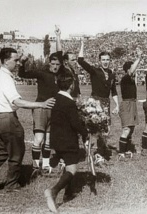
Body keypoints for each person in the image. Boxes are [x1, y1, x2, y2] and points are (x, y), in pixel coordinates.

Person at [0, 48, 55, 199]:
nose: (17, 63)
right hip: (6, 119)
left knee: (0, 152)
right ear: (6, 61)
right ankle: (12, 185)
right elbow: (17, 101)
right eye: (15, 60)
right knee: (17, 152)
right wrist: (41, 104)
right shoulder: (6, 78)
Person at [44, 72, 89, 213]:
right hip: (68, 140)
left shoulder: (55, 99)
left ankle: (69, 192)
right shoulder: (69, 103)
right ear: (71, 85)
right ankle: (53, 191)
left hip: (56, 139)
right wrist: (85, 132)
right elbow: (75, 123)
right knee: (72, 169)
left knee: (68, 164)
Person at [18, 43, 61, 174]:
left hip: (53, 110)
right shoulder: (42, 73)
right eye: (53, 64)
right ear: (49, 63)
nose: (55, 66)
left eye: (57, 64)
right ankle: (35, 166)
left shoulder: (60, 76)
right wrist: (22, 62)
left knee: (48, 140)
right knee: (39, 139)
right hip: (40, 108)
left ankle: (46, 165)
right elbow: (23, 74)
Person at [77, 40, 119, 161]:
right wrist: (82, 45)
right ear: (100, 61)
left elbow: (114, 91)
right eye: (103, 60)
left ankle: (99, 154)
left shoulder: (111, 73)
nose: (106, 62)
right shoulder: (95, 71)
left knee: (106, 129)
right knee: (92, 128)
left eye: (107, 60)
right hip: (95, 102)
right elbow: (80, 61)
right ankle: (89, 152)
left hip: (106, 103)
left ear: (110, 61)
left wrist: (117, 105)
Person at [118, 48, 142, 160]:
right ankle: (121, 153)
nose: (135, 70)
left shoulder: (131, 79)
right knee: (126, 129)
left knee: (131, 129)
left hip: (132, 103)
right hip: (127, 104)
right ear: (128, 69)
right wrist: (139, 58)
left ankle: (127, 149)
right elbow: (132, 71)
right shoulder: (126, 78)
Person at [54, 26, 81, 101]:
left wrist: (79, 95)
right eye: (72, 60)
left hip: (74, 99)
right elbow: (59, 53)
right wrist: (58, 36)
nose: (75, 62)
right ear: (66, 61)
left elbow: (76, 86)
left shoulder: (73, 71)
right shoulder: (62, 69)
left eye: (75, 59)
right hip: (64, 100)